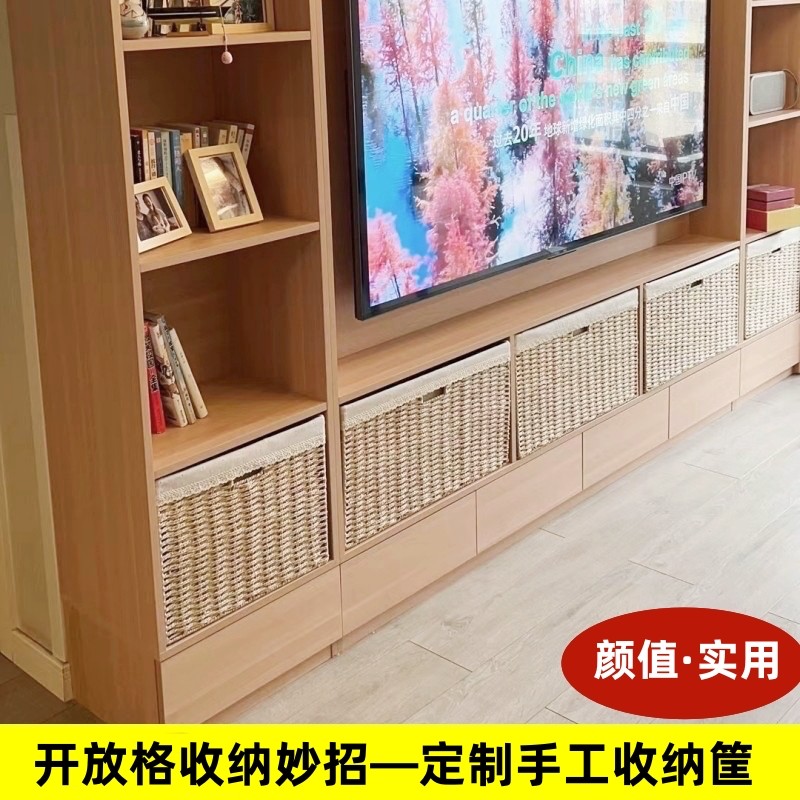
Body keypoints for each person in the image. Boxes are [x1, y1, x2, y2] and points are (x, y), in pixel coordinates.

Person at [203, 155, 251, 220]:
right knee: (216, 202)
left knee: (230, 202)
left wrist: (239, 189)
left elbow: (233, 180)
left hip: (226, 192)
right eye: (218, 165)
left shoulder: (226, 173)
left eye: (220, 164)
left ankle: (234, 215)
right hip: (217, 193)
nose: (220, 166)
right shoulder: (210, 175)